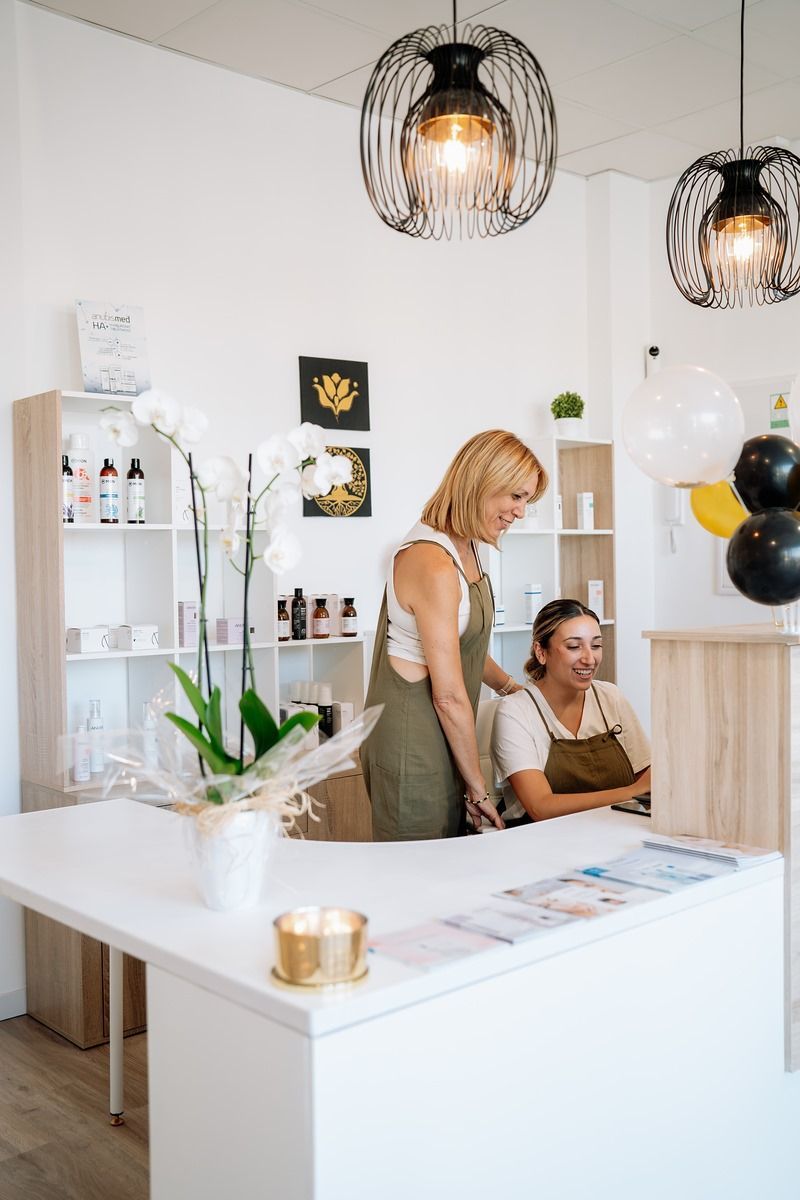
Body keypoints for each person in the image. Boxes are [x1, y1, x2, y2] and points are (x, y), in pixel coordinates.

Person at [361, 430, 547, 842]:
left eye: (526, 502)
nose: (520, 512)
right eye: (516, 496)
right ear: (483, 481)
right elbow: (447, 695)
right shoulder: (433, 561)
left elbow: (464, 645)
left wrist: (514, 688)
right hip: (413, 737)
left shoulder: (468, 545)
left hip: (445, 729)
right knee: (419, 870)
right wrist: (478, 787)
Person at [490, 599, 650, 825]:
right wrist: (632, 792)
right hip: (538, 842)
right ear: (541, 652)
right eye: (574, 646)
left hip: (611, 831)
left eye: (596, 646)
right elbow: (540, 807)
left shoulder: (610, 697)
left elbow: (648, 778)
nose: (589, 658)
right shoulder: (515, 711)